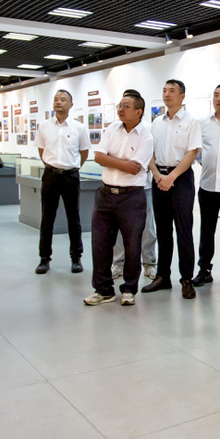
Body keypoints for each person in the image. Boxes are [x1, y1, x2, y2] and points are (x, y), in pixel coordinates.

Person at [84, 91, 154, 306]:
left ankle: (129, 289)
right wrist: (121, 162)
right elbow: (98, 156)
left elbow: (135, 168)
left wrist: (111, 159)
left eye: (126, 106)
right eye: (119, 106)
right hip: (105, 195)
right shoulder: (111, 129)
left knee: (132, 245)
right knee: (100, 244)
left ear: (138, 112)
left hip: (131, 197)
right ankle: (103, 289)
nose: (120, 109)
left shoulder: (146, 137)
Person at [144, 79, 202, 298]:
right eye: (164, 90)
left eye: (172, 91)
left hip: (181, 180)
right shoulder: (156, 122)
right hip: (159, 179)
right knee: (162, 230)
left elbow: (192, 153)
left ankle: (186, 279)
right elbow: (149, 152)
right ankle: (163, 276)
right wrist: (157, 175)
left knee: (184, 231)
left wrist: (172, 177)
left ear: (182, 96)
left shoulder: (191, 122)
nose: (167, 94)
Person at [34, 89, 91, 275]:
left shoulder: (79, 127)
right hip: (50, 175)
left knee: (73, 218)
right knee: (47, 218)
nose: (59, 102)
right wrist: (51, 166)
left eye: (63, 99)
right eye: (56, 99)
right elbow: (41, 150)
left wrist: (73, 167)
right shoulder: (44, 126)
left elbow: (84, 152)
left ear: (71, 105)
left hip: (70, 176)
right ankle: (44, 258)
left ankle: (76, 258)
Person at [192, 83, 220, 286]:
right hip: (208, 185)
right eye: (216, 95)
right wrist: (206, 162)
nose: (218, 99)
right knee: (207, 230)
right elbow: (196, 150)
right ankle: (204, 269)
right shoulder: (202, 123)